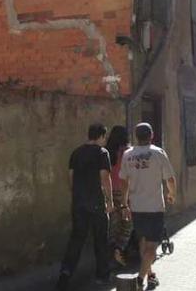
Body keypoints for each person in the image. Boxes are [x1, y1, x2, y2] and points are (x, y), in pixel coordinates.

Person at [56, 124, 114, 290]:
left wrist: (77, 196)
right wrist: (109, 201)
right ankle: (102, 276)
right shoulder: (102, 153)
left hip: (79, 203)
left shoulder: (76, 152)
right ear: (101, 136)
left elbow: (71, 178)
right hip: (97, 203)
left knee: (76, 240)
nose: (105, 140)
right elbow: (105, 178)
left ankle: (65, 274)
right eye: (105, 137)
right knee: (101, 240)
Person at [120, 123, 177, 291]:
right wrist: (172, 194)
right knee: (151, 247)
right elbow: (170, 179)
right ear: (151, 135)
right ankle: (139, 280)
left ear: (136, 136)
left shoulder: (127, 155)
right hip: (154, 207)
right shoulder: (158, 153)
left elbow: (124, 181)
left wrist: (124, 204)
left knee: (143, 243)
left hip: (137, 207)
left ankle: (151, 275)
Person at [106, 125, 133, 265]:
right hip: (124, 191)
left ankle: (111, 251)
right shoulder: (128, 152)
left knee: (113, 223)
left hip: (109, 191)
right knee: (128, 223)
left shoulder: (107, 152)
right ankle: (119, 248)